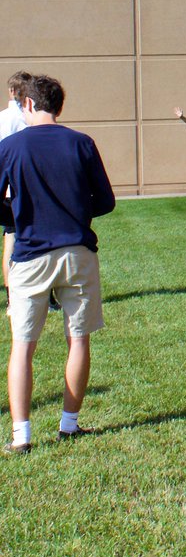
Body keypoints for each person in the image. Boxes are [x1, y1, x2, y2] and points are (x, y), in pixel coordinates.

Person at [0, 74, 115, 454]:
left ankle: (21, 435)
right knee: (77, 339)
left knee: (22, 346)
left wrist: (17, 217)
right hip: (77, 251)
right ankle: (69, 424)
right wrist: (77, 212)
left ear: (29, 104)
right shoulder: (82, 143)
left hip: (30, 254)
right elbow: (106, 201)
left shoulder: (10, 146)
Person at [1, 71, 32, 293]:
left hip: (10, 190)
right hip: (21, 190)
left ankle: (14, 295)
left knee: (12, 241)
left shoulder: (4, 117)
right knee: (23, 240)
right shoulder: (24, 118)